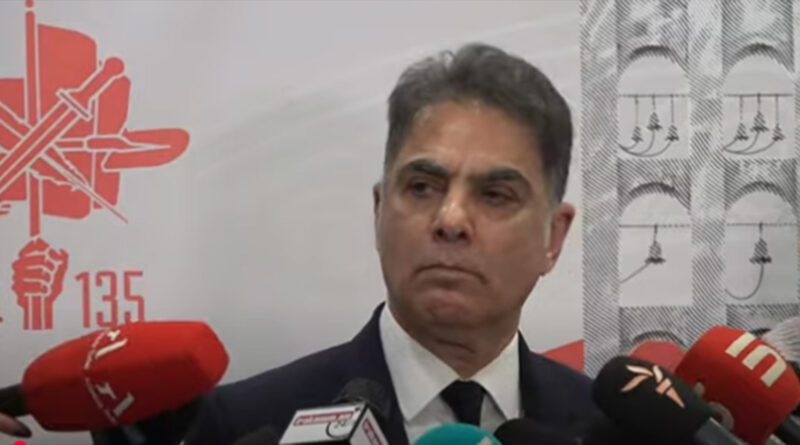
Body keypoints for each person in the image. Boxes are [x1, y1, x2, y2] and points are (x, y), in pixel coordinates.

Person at [0, 43, 597, 444]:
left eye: (495, 195)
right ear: (379, 210)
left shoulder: (608, 428)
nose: (450, 219)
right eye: (422, 186)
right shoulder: (239, 425)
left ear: (554, 236)